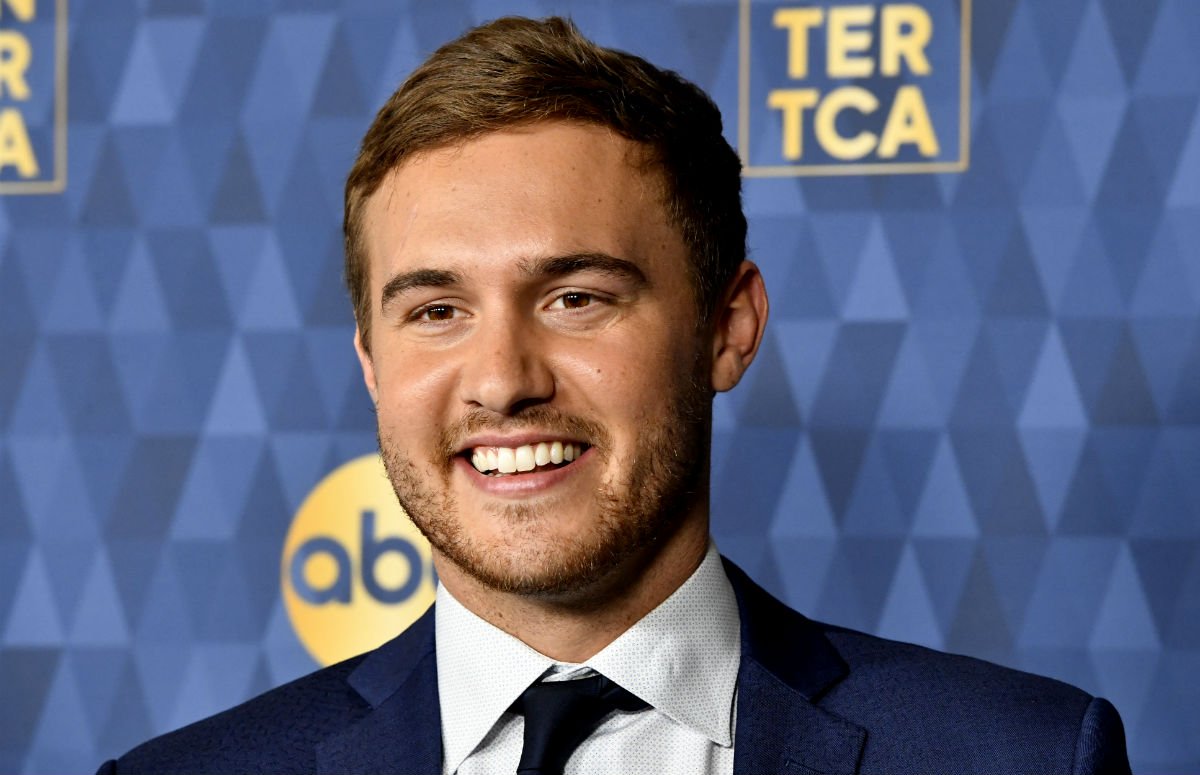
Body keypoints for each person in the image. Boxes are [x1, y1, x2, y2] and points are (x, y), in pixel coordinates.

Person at [98, 15, 1131, 775]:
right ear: (372, 362)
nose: (504, 380)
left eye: (576, 296)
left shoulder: (1022, 756)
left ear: (728, 327)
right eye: (435, 311)